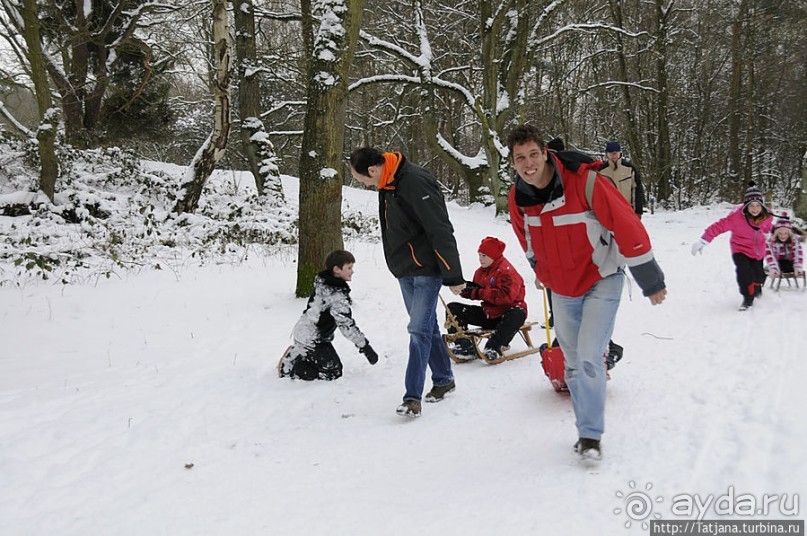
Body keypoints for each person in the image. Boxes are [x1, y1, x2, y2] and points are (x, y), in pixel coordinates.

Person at [507, 124, 667, 460]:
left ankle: (591, 437)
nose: (528, 163)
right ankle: (585, 430)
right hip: (562, 289)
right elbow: (527, 240)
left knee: (591, 355)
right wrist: (541, 270)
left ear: (546, 153)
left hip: (601, 278)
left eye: (533, 154)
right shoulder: (517, 196)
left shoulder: (586, 181)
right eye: (520, 157)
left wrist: (650, 280)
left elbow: (626, 223)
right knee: (574, 363)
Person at [349, 147, 465, 418]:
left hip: (426, 268)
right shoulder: (388, 183)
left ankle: (412, 397)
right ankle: (444, 379)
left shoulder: (415, 181)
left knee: (418, 330)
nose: (363, 184)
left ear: (373, 170)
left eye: (361, 179)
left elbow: (440, 227)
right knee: (427, 327)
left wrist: (453, 274)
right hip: (404, 269)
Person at [279, 250, 378, 381]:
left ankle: (301, 353)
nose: (352, 271)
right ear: (337, 269)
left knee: (332, 367)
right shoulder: (336, 296)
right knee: (332, 372)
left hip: (308, 333)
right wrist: (364, 346)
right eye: (349, 268)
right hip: (312, 339)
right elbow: (346, 325)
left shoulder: (324, 282)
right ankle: (291, 366)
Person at [691, 182, 773, 310]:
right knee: (744, 274)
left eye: (758, 205)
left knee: (757, 275)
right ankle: (747, 299)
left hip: (758, 251)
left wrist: (771, 235)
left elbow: (769, 229)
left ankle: (758, 284)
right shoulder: (736, 217)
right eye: (752, 205)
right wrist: (703, 240)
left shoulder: (767, 216)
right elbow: (718, 226)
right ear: (746, 205)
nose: (755, 209)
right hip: (740, 249)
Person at [446, 236, 528, 361]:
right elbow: (478, 289)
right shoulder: (481, 272)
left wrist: (477, 292)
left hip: (507, 315)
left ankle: (493, 346)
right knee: (452, 308)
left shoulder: (506, 272)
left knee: (518, 313)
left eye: (484, 255)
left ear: (494, 256)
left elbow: (505, 297)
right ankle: (464, 344)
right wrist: (462, 287)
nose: (480, 259)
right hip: (489, 314)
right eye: (479, 255)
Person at [598, 141, 645, 219]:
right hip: (608, 212)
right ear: (606, 154)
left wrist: (638, 211)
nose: (614, 155)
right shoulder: (601, 171)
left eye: (615, 153)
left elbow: (637, 190)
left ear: (620, 153)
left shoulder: (630, 168)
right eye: (611, 153)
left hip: (627, 211)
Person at [764, 212, 804, 278]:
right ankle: (771, 269)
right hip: (776, 262)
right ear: (776, 233)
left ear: (789, 234)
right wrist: (773, 267)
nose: (783, 236)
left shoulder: (794, 241)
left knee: (789, 266)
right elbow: (770, 256)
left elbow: (798, 254)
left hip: (789, 263)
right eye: (780, 233)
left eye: (786, 233)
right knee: (777, 267)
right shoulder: (771, 242)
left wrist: (798, 266)